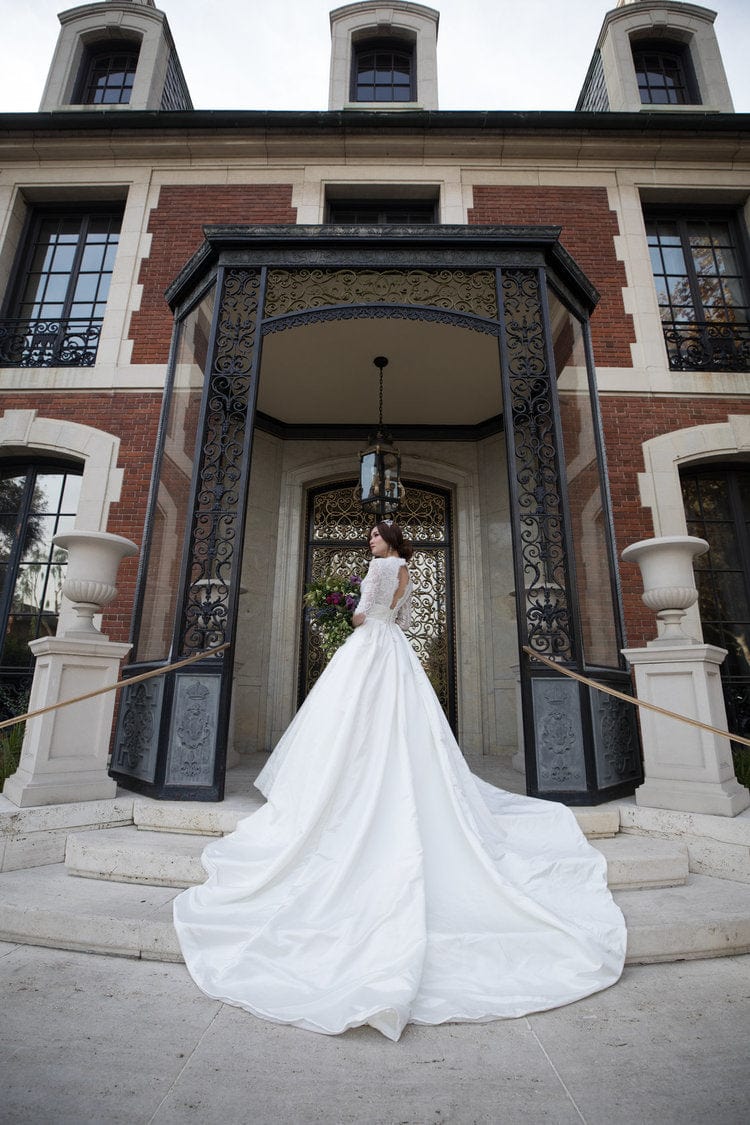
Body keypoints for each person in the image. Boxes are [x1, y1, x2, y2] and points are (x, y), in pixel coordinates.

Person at [173, 521, 626, 1042]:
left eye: (373, 536)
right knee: (399, 725)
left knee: (352, 724)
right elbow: (405, 618)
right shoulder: (408, 569)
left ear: (387, 540)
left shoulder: (380, 568)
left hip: (368, 645)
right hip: (394, 650)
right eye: (366, 537)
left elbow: (365, 612)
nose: (368, 542)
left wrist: (347, 611)